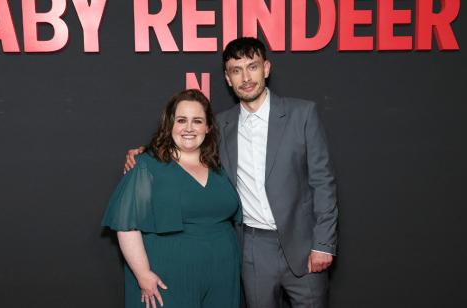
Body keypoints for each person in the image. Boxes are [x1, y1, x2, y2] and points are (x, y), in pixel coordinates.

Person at [125, 37, 338, 308]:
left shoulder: (302, 114)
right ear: (228, 78)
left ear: (267, 69)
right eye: (236, 70)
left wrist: (324, 244)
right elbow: (188, 144)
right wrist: (146, 153)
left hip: (304, 245)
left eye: (253, 67)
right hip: (251, 247)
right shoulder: (222, 124)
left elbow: (323, 182)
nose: (246, 77)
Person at [102, 89, 242, 308]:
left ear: (208, 127)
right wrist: (143, 274)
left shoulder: (220, 165)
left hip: (222, 275)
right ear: (170, 126)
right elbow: (127, 226)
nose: (188, 128)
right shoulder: (147, 166)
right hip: (167, 277)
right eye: (181, 120)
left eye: (197, 121)